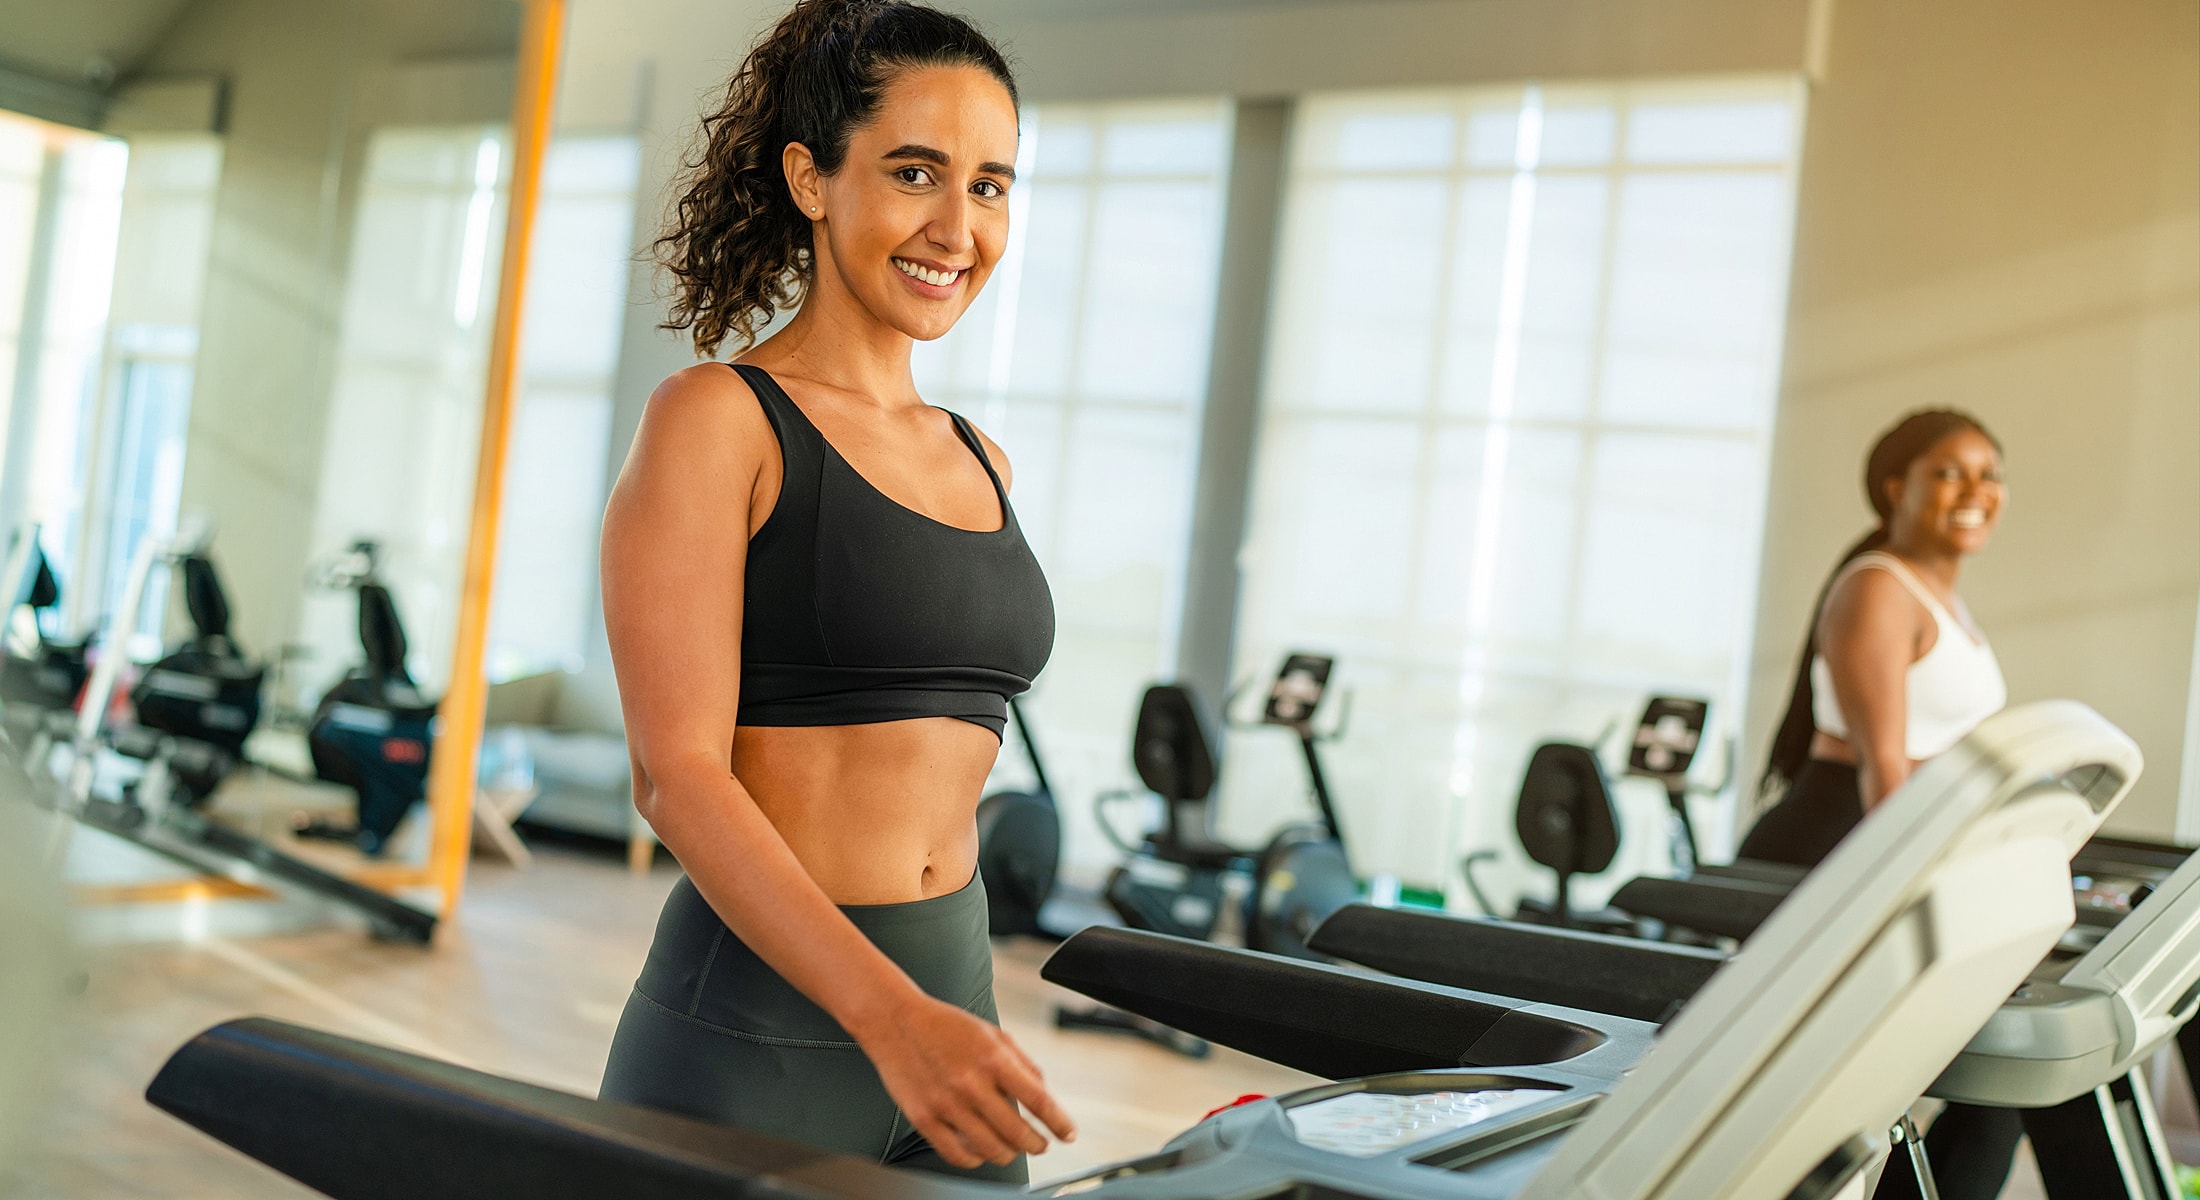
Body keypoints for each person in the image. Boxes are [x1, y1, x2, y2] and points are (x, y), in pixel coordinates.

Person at [593, 0, 1073, 1181]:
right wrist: (887, 1016)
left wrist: (932, 1017)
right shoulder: (718, 422)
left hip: (954, 1015)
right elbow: (676, 775)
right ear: (812, 178)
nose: (956, 226)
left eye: (991, 186)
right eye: (916, 173)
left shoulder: (979, 457)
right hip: (760, 1040)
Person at [1739, 408, 2011, 1200]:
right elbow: (1885, 771)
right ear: (1896, 486)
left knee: (2001, 1078)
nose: (1975, 491)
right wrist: (1916, 895)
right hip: (1841, 839)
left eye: (1990, 474)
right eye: (1949, 472)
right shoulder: (1877, 590)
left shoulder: (1941, 599)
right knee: (1946, 1078)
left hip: (1903, 838)